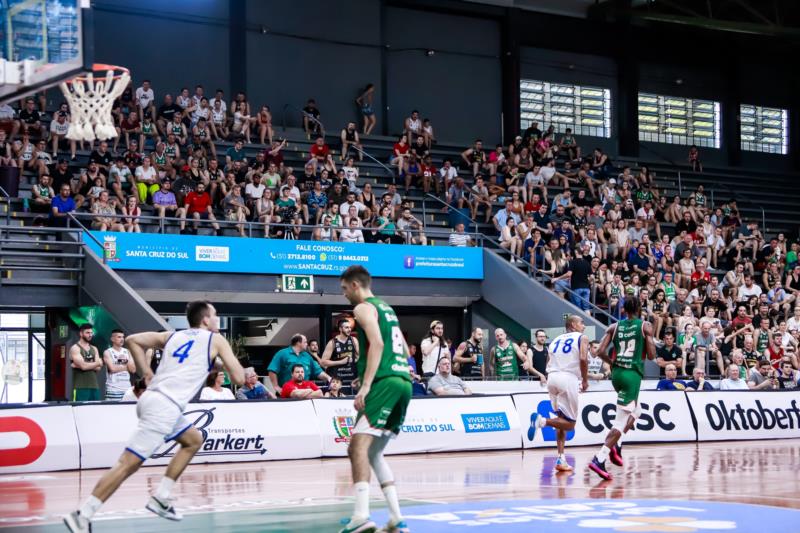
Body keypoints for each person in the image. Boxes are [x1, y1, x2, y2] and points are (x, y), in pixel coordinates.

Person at [64, 301, 245, 532]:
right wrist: (227, 362)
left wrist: (146, 372)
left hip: (153, 399)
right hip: (164, 407)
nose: (218, 319)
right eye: (216, 315)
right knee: (127, 464)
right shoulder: (216, 340)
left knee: (193, 440)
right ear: (206, 320)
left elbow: (133, 341)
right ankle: (82, 514)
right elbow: (239, 379)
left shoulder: (173, 336)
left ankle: (161, 496)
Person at [338, 265, 412, 533]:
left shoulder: (363, 307)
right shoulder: (386, 308)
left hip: (384, 383)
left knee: (356, 447)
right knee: (374, 452)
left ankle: (361, 515)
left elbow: (378, 344)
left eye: (345, 289)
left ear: (355, 285)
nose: (344, 295)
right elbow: (402, 347)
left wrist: (366, 384)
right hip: (403, 382)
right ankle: (396, 518)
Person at [589, 296, 655, 481]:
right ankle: (599, 458)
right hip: (631, 376)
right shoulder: (645, 326)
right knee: (620, 422)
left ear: (624, 310)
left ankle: (617, 446)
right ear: (640, 308)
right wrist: (648, 336)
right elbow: (651, 355)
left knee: (638, 410)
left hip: (617, 375)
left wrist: (613, 363)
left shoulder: (614, 326)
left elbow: (599, 352)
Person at [528, 315, 589, 473]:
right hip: (568, 378)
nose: (584, 325)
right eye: (581, 322)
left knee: (561, 420)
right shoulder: (582, 337)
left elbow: (549, 359)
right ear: (573, 325)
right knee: (570, 424)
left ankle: (561, 458)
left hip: (552, 378)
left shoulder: (555, 340)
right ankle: (541, 421)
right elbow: (583, 359)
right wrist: (584, 380)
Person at [321, 318, 360, 393]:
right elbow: (323, 362)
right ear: (340, 329)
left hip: (351, 375)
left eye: (350, 327)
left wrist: (355, 360)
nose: (349, 329)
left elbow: (360, 357)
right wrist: (341, 362)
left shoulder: (354, 340)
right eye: (346, 327)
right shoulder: (332, 342)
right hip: (337, 377)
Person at [70, 324, 103, 402]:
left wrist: (83, 365)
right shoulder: (75, 348)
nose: (90, 335)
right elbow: (84, 366)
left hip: (94, 386)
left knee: (95, 411)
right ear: (81, 333)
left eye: (91, 333)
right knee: (79, 411)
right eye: (87, 333)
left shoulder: (94, 348)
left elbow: (98, 368)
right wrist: (97, 363)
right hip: (80, 387)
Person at [103, 329, 135, 401]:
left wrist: (118, 366)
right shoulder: (108, 352)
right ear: (112, 339)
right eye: (119, 337)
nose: (122, 339)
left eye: (123, 337)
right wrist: (126, 365)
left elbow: (133, 369)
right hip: (113, 389)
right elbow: (112, 369)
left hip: (127, 389)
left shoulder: (127, 351)